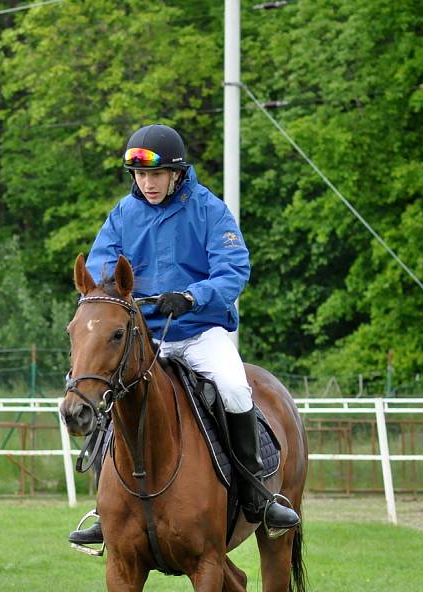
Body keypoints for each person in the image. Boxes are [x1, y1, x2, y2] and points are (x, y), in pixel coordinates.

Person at [69, 123, 299, 545]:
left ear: (176, 173)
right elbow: (102, 271)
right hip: (144, 337)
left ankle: (257, 496)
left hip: (199, 331)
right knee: (108, 392)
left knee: (233, 387)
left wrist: (193, 297)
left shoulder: (209, 209)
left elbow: (234, 270)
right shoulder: (123, 214)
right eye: (140, 175)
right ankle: (107, 512)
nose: (147, 183)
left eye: (156, 175)